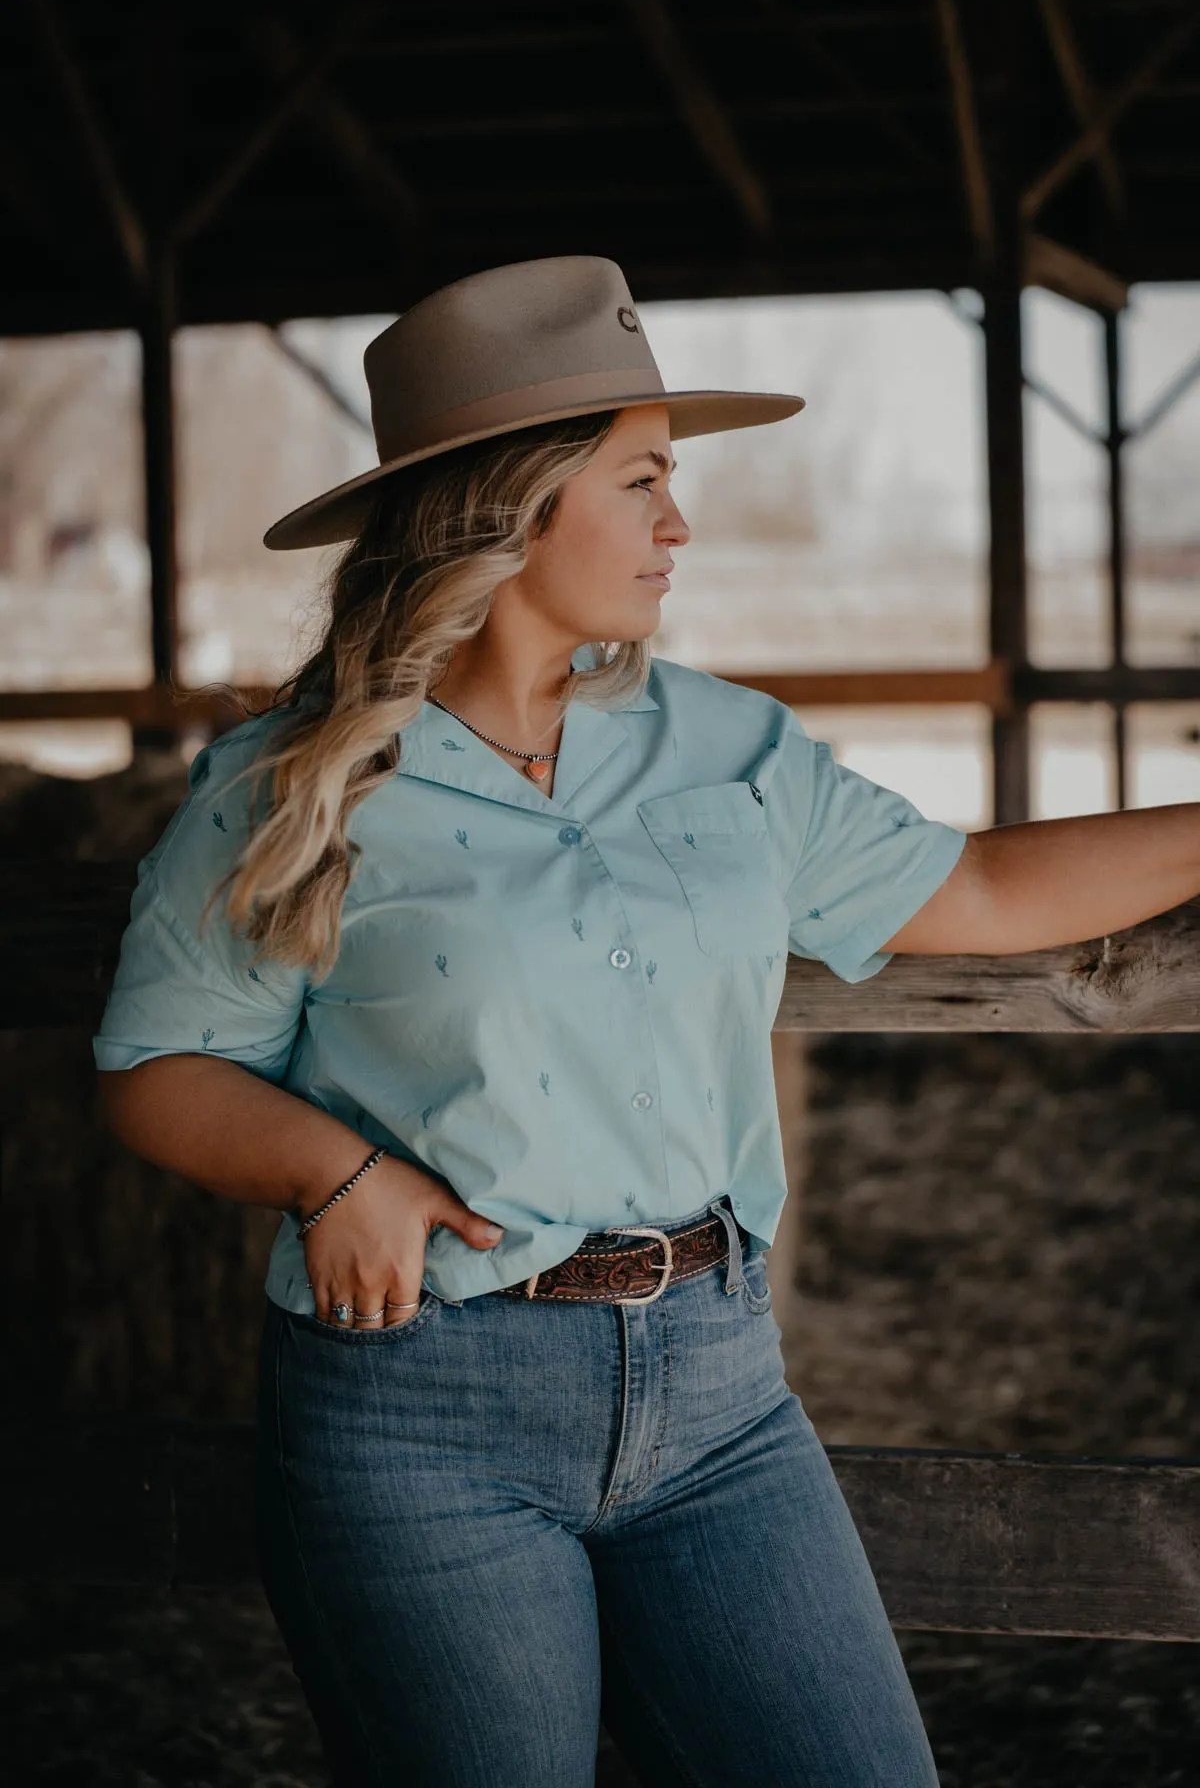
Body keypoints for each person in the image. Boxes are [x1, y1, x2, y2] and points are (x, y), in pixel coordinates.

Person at [94, 256, 1198, 1787]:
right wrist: (328, 1173)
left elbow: (991, 886)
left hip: (724, 1391)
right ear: (510, 504)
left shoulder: (730, 746)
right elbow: (159, 1068)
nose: (679, 524)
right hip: (425, 1412)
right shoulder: (302, 782)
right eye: (644, 480)